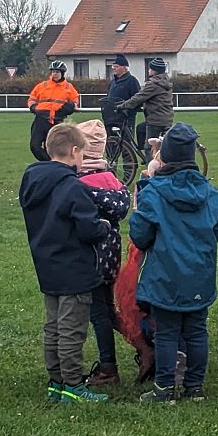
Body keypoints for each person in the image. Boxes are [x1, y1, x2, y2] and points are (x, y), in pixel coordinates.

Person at [131, 123, 218, 403]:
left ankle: (164, 388)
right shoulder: (209, 192)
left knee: (167, 332)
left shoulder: (153, 192)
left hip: (165, 273)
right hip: (199, 272)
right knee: (197, 330)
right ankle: (194, 386)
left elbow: (140, 234)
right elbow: (215, 229)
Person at [19, 123, 110, 403]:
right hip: (74, 269)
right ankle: (73, 385)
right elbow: (87, 229)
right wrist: (103, 226)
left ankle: (56, 381)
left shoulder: (32, 180)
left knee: (54, 327)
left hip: (47, 265)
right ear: (74, 151)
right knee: (72, 330)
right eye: (82, 153)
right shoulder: (73, 187)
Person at [75, 120, 132, 388]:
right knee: (108, 309)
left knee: (98, 314)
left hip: (91, 256)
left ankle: (108, 367)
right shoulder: (112, 181)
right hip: (111, 256)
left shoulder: (80, 184)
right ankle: (144, 345)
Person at [27, 61, 79, 162]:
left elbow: (75, 102)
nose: (55, 74)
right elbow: (32, 99)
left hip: (57, 121)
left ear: (62, 73)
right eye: (53, 72)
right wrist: (34, 108)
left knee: (53, 147)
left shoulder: (69, 87)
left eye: (57, 72)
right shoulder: (42, 85)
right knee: (34, 146)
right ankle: (49, 163)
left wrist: (68, 108)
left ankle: (51, 164)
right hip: (41, 119)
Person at [118, 57, 174, 148]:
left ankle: (149, 156)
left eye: (150, 69)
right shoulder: (165, 82)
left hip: (156, 120)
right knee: (141, 128)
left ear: (155, 71)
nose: (148, 70)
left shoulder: (154, 84)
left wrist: (123, 106)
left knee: (149, 147)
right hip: (166, 118)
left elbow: (139, 97)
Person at [101, 54, 140, 140]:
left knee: (126, 142)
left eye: (116, 66)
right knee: (111, 143)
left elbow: (137, 99)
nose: (113, 68)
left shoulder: (132, 81)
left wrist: (127, 110)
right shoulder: (112, 83)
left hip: (126, 119)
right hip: (111, 118)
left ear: (124, 68)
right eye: (113, 66)